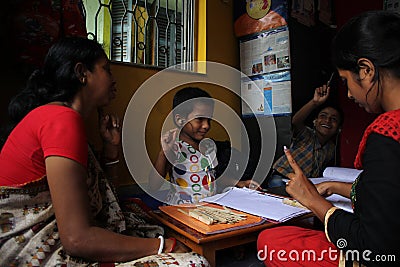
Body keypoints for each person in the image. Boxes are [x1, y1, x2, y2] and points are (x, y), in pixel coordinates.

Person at [0, 37, 209, 266]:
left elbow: (105, 203)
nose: (113, 78)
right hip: (33, 249)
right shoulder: (61, 120)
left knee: (142, 220)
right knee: (194, 262)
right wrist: (163, 247)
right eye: (106, 70)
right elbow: (76, 239)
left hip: (70, 235)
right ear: (82, 73)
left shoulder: (66, 119)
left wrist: (111, 150)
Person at [257, 10, 400, 266]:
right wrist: (333, 187)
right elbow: (387, 194)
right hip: (283, 181)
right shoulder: (307, 133)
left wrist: (314, 201)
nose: (349, 94)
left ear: (366, 70)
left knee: (273, 242)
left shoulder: (387, 135)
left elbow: (376, 249)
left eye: (345, 81)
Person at [150, 87, 260, 205]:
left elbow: (212, 178)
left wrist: (239, 183)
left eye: (209, 120)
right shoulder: (175, 148)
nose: (206, 125)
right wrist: (164, 152)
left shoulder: (209, 146)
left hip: (208, 208)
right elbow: (153, 185)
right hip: (182, 209)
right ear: (180, 119)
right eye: (199, 119)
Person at [267, 84, 343, 188]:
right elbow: (296, 121)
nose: (327, 120)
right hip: (282, 177)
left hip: (303, 183)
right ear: (315, 122)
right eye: (323, 116)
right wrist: (314, 103)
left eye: (333, 119)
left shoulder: (331, 148)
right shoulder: (307, 134)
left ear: (339, 128)